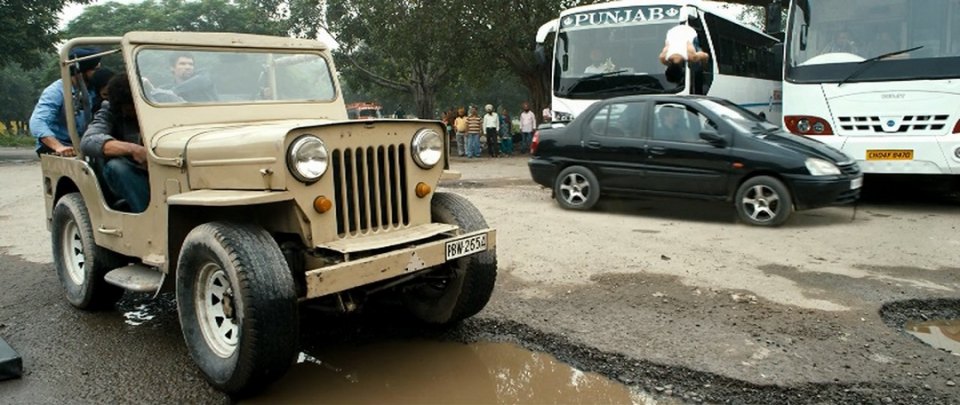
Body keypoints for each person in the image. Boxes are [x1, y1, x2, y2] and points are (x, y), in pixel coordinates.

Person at [79, 73, 150, 213]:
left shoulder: (161, 100)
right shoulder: (109, 110)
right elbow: (89, 140)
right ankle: (149, 218)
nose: (133, 112)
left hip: (165, 165)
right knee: (116, 167)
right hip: (133, 170)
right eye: (129, 108)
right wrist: (133, 149)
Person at [29, 48, 102, 157]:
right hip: (61, 144)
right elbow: (38, 122)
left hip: (87, 142)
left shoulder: (96, 89)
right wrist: (58, 147)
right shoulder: (56, 91)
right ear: (80, 71)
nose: (99, 73)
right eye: (95, 70)